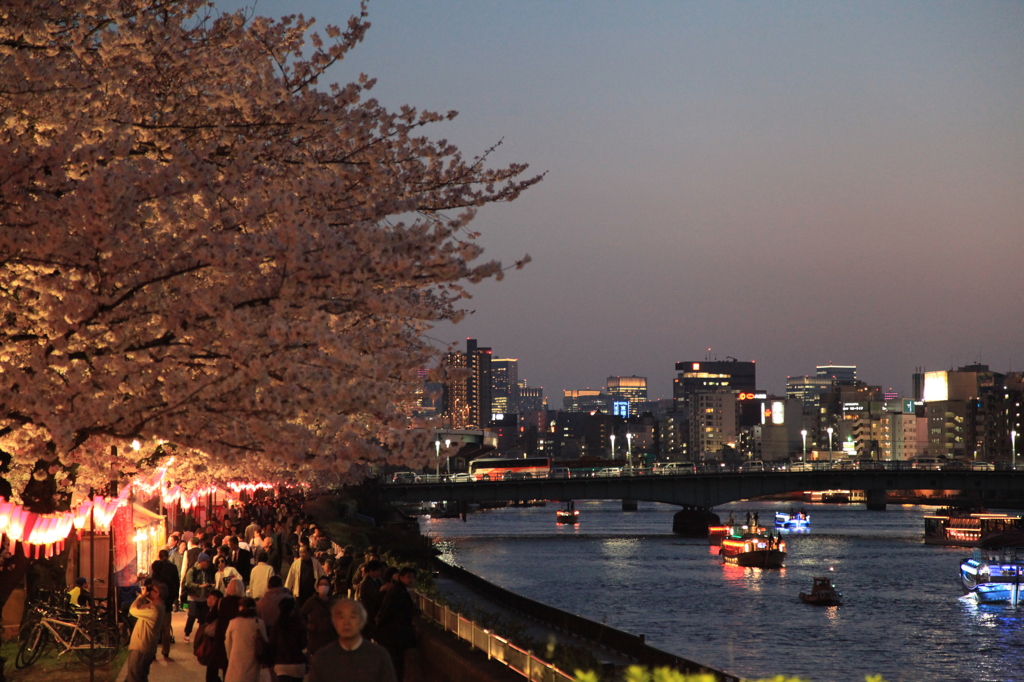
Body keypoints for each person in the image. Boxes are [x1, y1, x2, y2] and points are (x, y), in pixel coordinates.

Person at [308, 599, 396, 682]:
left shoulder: (379, 656)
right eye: (341, 617)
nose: (346, 622)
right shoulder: (323, 658)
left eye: (352, 617)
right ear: (334, 622)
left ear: (362, 621)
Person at [375, 568, 418, 682]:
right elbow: (387, 611)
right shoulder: (398, 592)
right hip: (394, 635)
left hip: (394, 635)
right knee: (396, 664)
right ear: (401, 577)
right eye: (408, 577)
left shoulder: (398, 590)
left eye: (413, 577)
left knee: (395, 663)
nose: (411, 580)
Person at [127, 583, 166, 682]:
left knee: (134, 677)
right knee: (140, 676)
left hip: (141, 648)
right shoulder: (158, 606)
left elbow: (133, 609)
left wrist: (142, 596)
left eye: (151, 589)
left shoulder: (154, 609)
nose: (148, 591)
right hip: (145, 648)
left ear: (157, 593)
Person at [224, 597, 267, 682]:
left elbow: (227, 642)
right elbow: (265, 640)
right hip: (253, 659)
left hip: (236, 657)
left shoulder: (233, 622)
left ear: (240, 608)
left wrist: (230, 656)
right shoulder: (259, 623)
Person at [269, 597, 306, 682]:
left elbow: (272, 644)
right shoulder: (299, 624)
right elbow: (303, 644)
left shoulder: (277, 625)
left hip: (281, 663)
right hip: (297, 662)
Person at [151, 548, 180, 658]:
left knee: (154, 629)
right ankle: (165, 651)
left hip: (152, 607)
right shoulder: (168, 578)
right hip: (166, 606)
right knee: (166, 628)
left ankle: (153, 652)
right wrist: (172, 600)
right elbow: (174, 587)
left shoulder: (150, 580)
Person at [184, 553, 216, 643]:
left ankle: (201, 635)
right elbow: (188, 583)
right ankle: (187, 633)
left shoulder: (207, 572)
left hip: (204, 598)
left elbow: (210, 581)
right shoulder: (192, 571)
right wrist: (200, 586)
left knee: (203, 618)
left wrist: (210, 586)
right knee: (192, 615)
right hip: (193, 598)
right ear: (201, 562)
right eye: (207, 562)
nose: (208, 564)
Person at [301, 576, 336, 657]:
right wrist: (307, 625)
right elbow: (301, 614)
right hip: (316, 639)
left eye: (326, 584)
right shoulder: (312, 601)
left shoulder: (334, 601)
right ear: (317, 587)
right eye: (321, 584)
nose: (323, 586)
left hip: (330, 639)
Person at [356, 559, 384, 639]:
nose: (379, 573)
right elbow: (373, 597)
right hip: (369, 612)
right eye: (377, 571)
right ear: (371, 571)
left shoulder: (378, 580)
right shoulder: (366, 582)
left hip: (375, 612)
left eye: (380, 571)